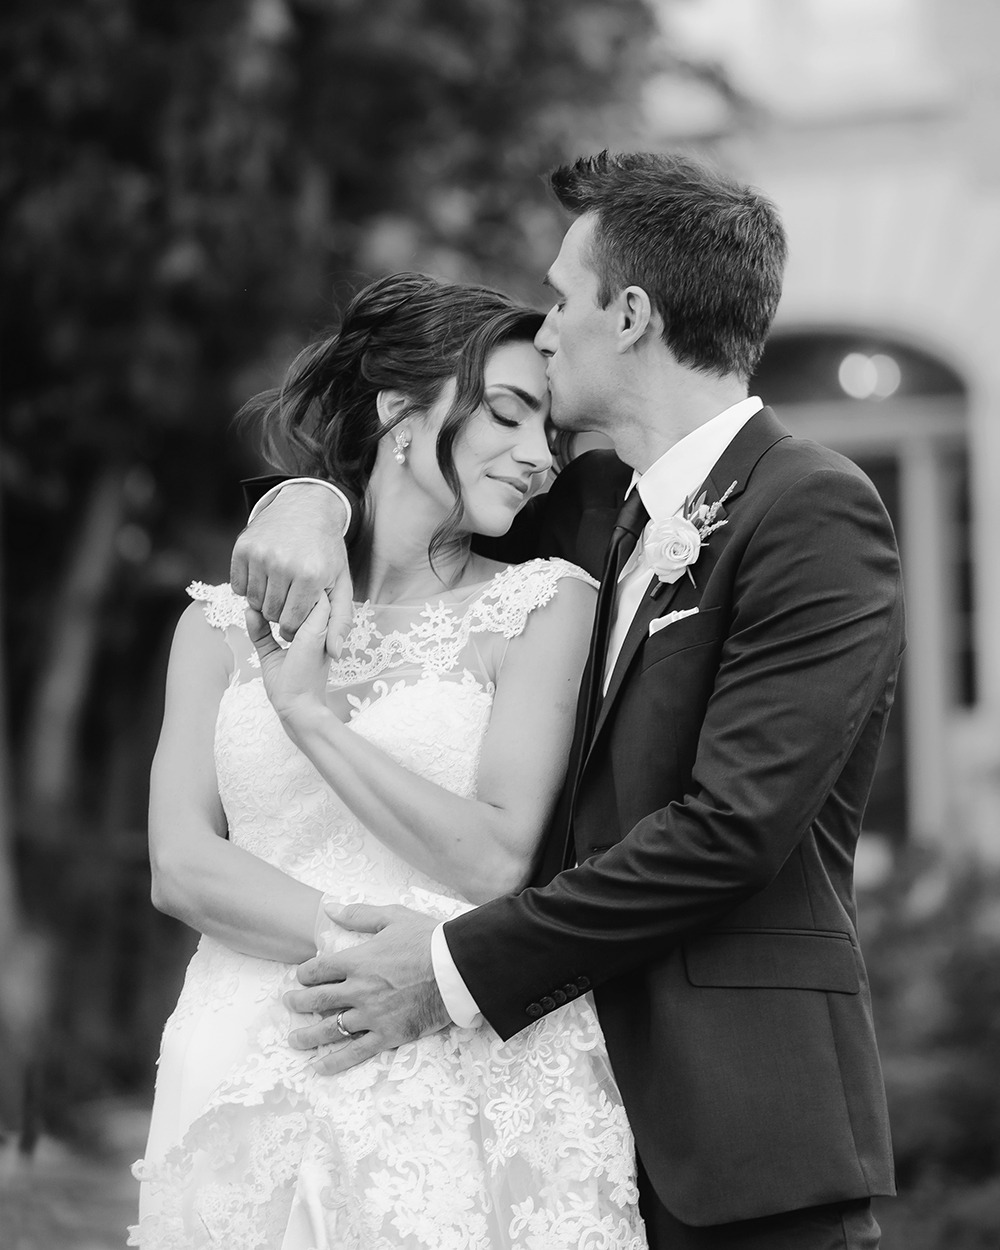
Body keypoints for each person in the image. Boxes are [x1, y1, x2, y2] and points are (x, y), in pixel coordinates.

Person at [235, 151, 904, 1250]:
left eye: (560, 298)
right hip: (560, 1131)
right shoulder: (591, 504)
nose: (545, 332)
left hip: (743, 1133)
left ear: (629, 314)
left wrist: (449, 968)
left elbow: (729, 831)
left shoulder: (812, 510)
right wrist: (303, 502)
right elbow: (409, 490)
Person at [129, 271, 648, 1249]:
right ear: (400, 410)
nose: (540, 457)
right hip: (236, 1040)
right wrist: (368, 953)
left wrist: (310, 717)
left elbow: (493, 857)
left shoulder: (543, 607)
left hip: (443, 1064)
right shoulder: (215, 626)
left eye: (550, 433)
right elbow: (180, 864)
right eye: (508, 414)